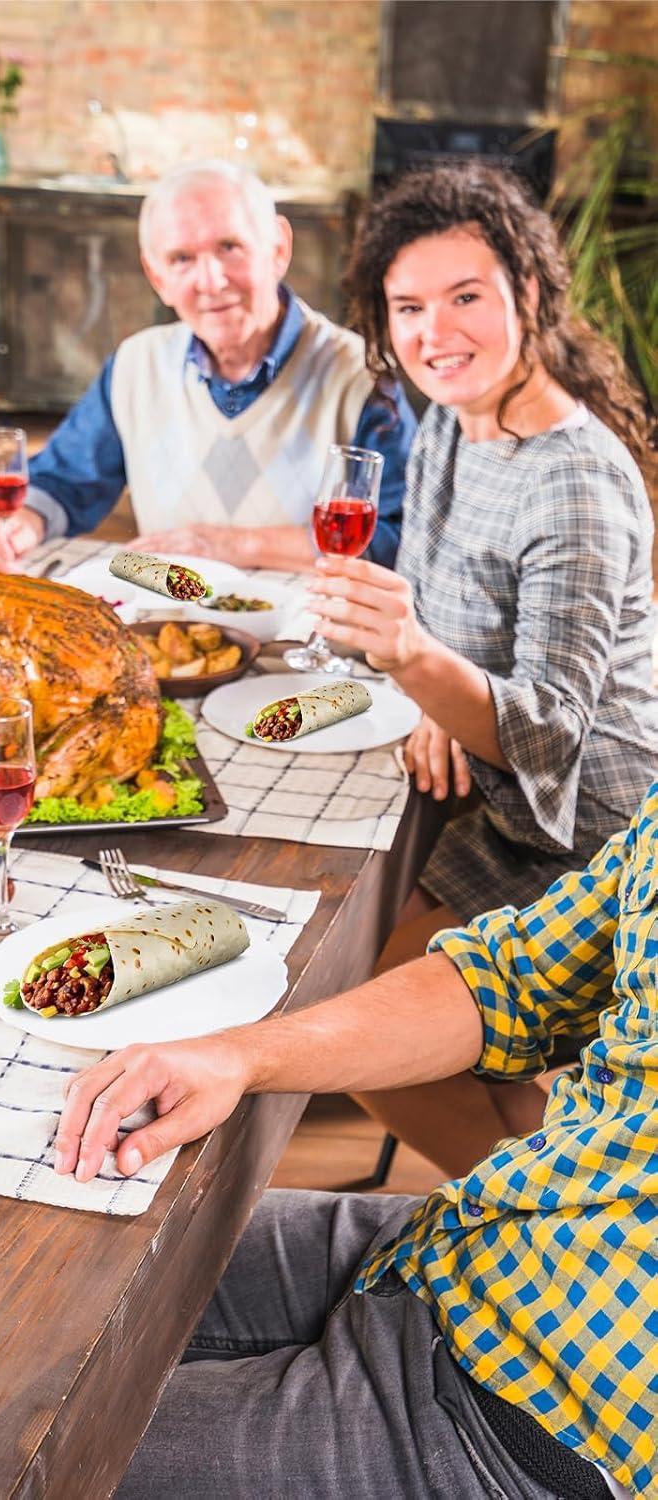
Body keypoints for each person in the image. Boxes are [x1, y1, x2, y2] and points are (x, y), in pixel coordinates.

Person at [54, 779, 658, 1498]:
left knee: (19, 1465)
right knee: (65, 1268)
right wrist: (237, 1054)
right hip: (462, 1244)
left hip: (539, 1426)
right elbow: (511, 978)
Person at [304, 164, 658, 1177]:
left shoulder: (576, 479)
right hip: (500, 802)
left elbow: (547, 729)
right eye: (408, 308)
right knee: (433, 1030)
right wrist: (431, 691)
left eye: (467, 298)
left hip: (594, 833)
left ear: (530, 298)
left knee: (362, 1024)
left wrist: (417, 660)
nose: (434, 332)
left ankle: (532, 1218)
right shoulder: (448, 423)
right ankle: (543, 1189)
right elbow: (440, 601)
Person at [0, 160, 417, 574]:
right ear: (157, 277)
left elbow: (403, 541)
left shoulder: (360, 377)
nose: (211, 281)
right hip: (168, 620)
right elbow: (64, 482)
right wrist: (20, 522)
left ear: (279, 248)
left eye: (230, 247)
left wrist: (229, 545)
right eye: (182, 259)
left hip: (301, 634)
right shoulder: (135, 365)